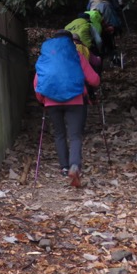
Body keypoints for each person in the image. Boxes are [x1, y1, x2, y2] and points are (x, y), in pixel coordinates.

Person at [34, 29, 101, 188]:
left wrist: (42, 100)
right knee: (75, 135)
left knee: (59, 134)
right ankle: (74, 166)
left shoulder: (46, 57)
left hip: (51, 101)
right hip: (75, 100)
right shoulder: (76, 54)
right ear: (71, 41)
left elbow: (38, 82)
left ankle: (64, 168)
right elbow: (94, 79)